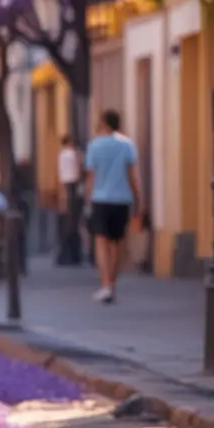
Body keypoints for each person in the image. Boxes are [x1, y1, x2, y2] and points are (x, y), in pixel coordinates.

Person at [85, 109, 141, 304]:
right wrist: (138, 199)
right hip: (122, 199)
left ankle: (106, 284)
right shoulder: (127, 144)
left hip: (100, 199)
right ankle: (111, 284)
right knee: (118, 243)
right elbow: (132, 175)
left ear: (104, 124)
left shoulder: (95, 145)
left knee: (101, 242)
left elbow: (91, 176)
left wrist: (87, 199)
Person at [56, 133, 84, 266]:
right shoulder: (74, 155)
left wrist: (62, 198)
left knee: (69, 223)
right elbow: (79, 170)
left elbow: (61, 176)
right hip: (74, 187)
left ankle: (67, 255)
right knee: (74, 223)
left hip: (67, 188)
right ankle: (73, 255)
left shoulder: (61, 155)